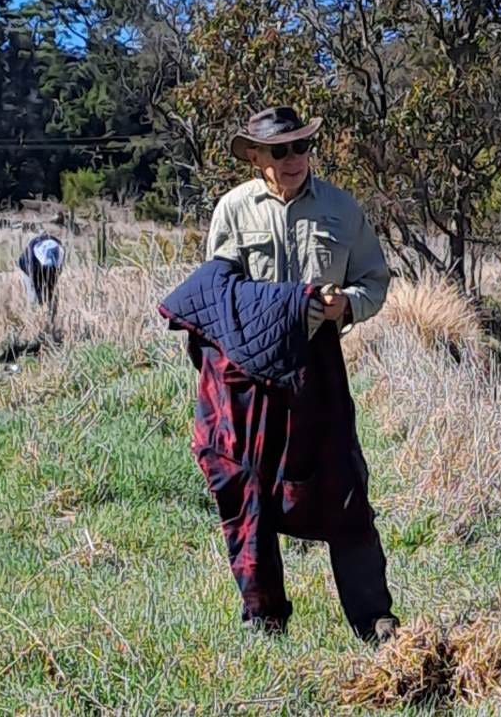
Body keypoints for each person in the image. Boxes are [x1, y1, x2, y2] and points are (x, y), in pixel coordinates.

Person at [193, 105, 397, 642]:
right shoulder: (233, 210)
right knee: (249, 491)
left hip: (317, 367)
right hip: (250, 373)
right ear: (256, 156)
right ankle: (264, 620)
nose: (293, 158)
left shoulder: (341, 208)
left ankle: (375, 621)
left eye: (301, 146)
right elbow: (219, 293)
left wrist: (347, 305)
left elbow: (374, 280)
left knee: (344, 487)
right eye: (279, 150)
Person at [17, 233, 64, 319]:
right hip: (27, 268)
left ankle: (52, 319)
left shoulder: (60, 250)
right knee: (34, 297)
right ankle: (33, 318)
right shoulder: (31, 261)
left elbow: (57, 274)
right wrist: (41, 299)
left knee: (52, 296)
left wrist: (50, 293)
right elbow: (36, 284)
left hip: (45, 265)